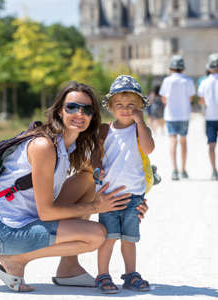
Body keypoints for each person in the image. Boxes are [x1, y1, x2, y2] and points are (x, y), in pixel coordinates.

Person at [0, 82, 148, 292]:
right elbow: (46, 212)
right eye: (72, 107)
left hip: (26, 219)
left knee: (88, 178)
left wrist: (131, 203)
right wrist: (96, 208)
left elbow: (112, 175)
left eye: (87, 109)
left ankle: (69, 267)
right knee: (98, 235)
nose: (79, 113)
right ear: (59, 111)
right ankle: (16, 258)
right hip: (8, 229)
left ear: (93, 117)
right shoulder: (44, 146)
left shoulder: (68, 145)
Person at [91, 75, 155, 294]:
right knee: (108, 239)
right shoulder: (104, 130)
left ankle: (130, 274)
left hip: (134, 196)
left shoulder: (140, 130)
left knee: (129, 239)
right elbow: (95, 156)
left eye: (131, 105)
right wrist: (96, 171)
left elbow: (148, 149)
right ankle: (103, 274)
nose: (125, 109)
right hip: (109, 196)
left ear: (140, 107)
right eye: (119, 105)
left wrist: (141, 122)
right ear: (110, 106)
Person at [159, 55, 196, 180]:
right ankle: (183, 169)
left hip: (170, 115)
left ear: (171, 68)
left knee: (172, 140)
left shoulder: (166, 81)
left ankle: (174, 170)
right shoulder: (188, 81)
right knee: (183, 141)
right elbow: (191, 98)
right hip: (184, 115)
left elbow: (164, 99)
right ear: (183, 68)